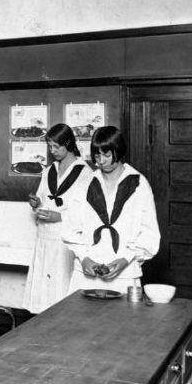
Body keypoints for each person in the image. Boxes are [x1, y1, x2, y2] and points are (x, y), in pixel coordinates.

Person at [64, 126, 160, 293]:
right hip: (86, 276)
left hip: (124, 275)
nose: (101, 161)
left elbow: (149, 232)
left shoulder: (139, 184)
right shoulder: (85, 184)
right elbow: (71, 228)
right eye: (96, 155)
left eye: (107, 155)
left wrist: (125, 259)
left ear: (119, 151)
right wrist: (84, 258)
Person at [22, 124, 93, 313]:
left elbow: (87, 212)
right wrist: (36, 203)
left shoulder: (84, 173)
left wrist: (59, 216)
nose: (52, 151)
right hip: (44, 237)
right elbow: (43, 199)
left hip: (65, 239)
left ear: (68, 143)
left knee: (60, 288)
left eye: (56, 146)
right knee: (42, 291)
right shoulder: (49, 171)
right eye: (49, 146)